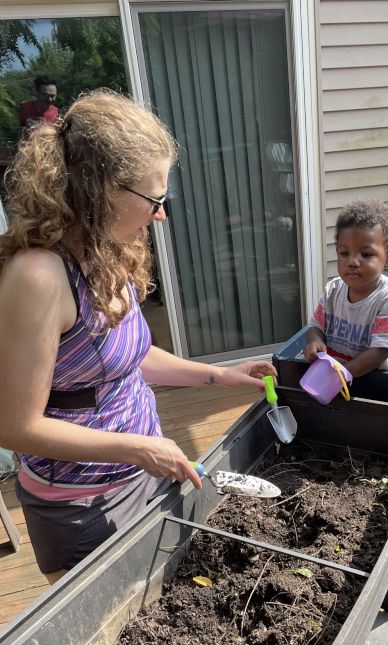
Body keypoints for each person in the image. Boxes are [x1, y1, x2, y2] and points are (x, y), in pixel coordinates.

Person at [0, 89, 277, 585]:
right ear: (102, 188)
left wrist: (219, 375)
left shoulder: (111, 251)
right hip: (80, 503)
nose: (161, 215)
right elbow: (14, 426)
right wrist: (136, 448)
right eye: (155, 199)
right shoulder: (38, 277)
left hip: (144, 470)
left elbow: (131, 355)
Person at [303, 199, 388, 377]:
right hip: (332, 376)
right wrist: (315, 341)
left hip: (376, 384)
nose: (352, 261)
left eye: (366, 254)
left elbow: (381, 351)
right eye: (345, 253)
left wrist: (342, 375)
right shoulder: (333, 290)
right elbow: (315, 326)